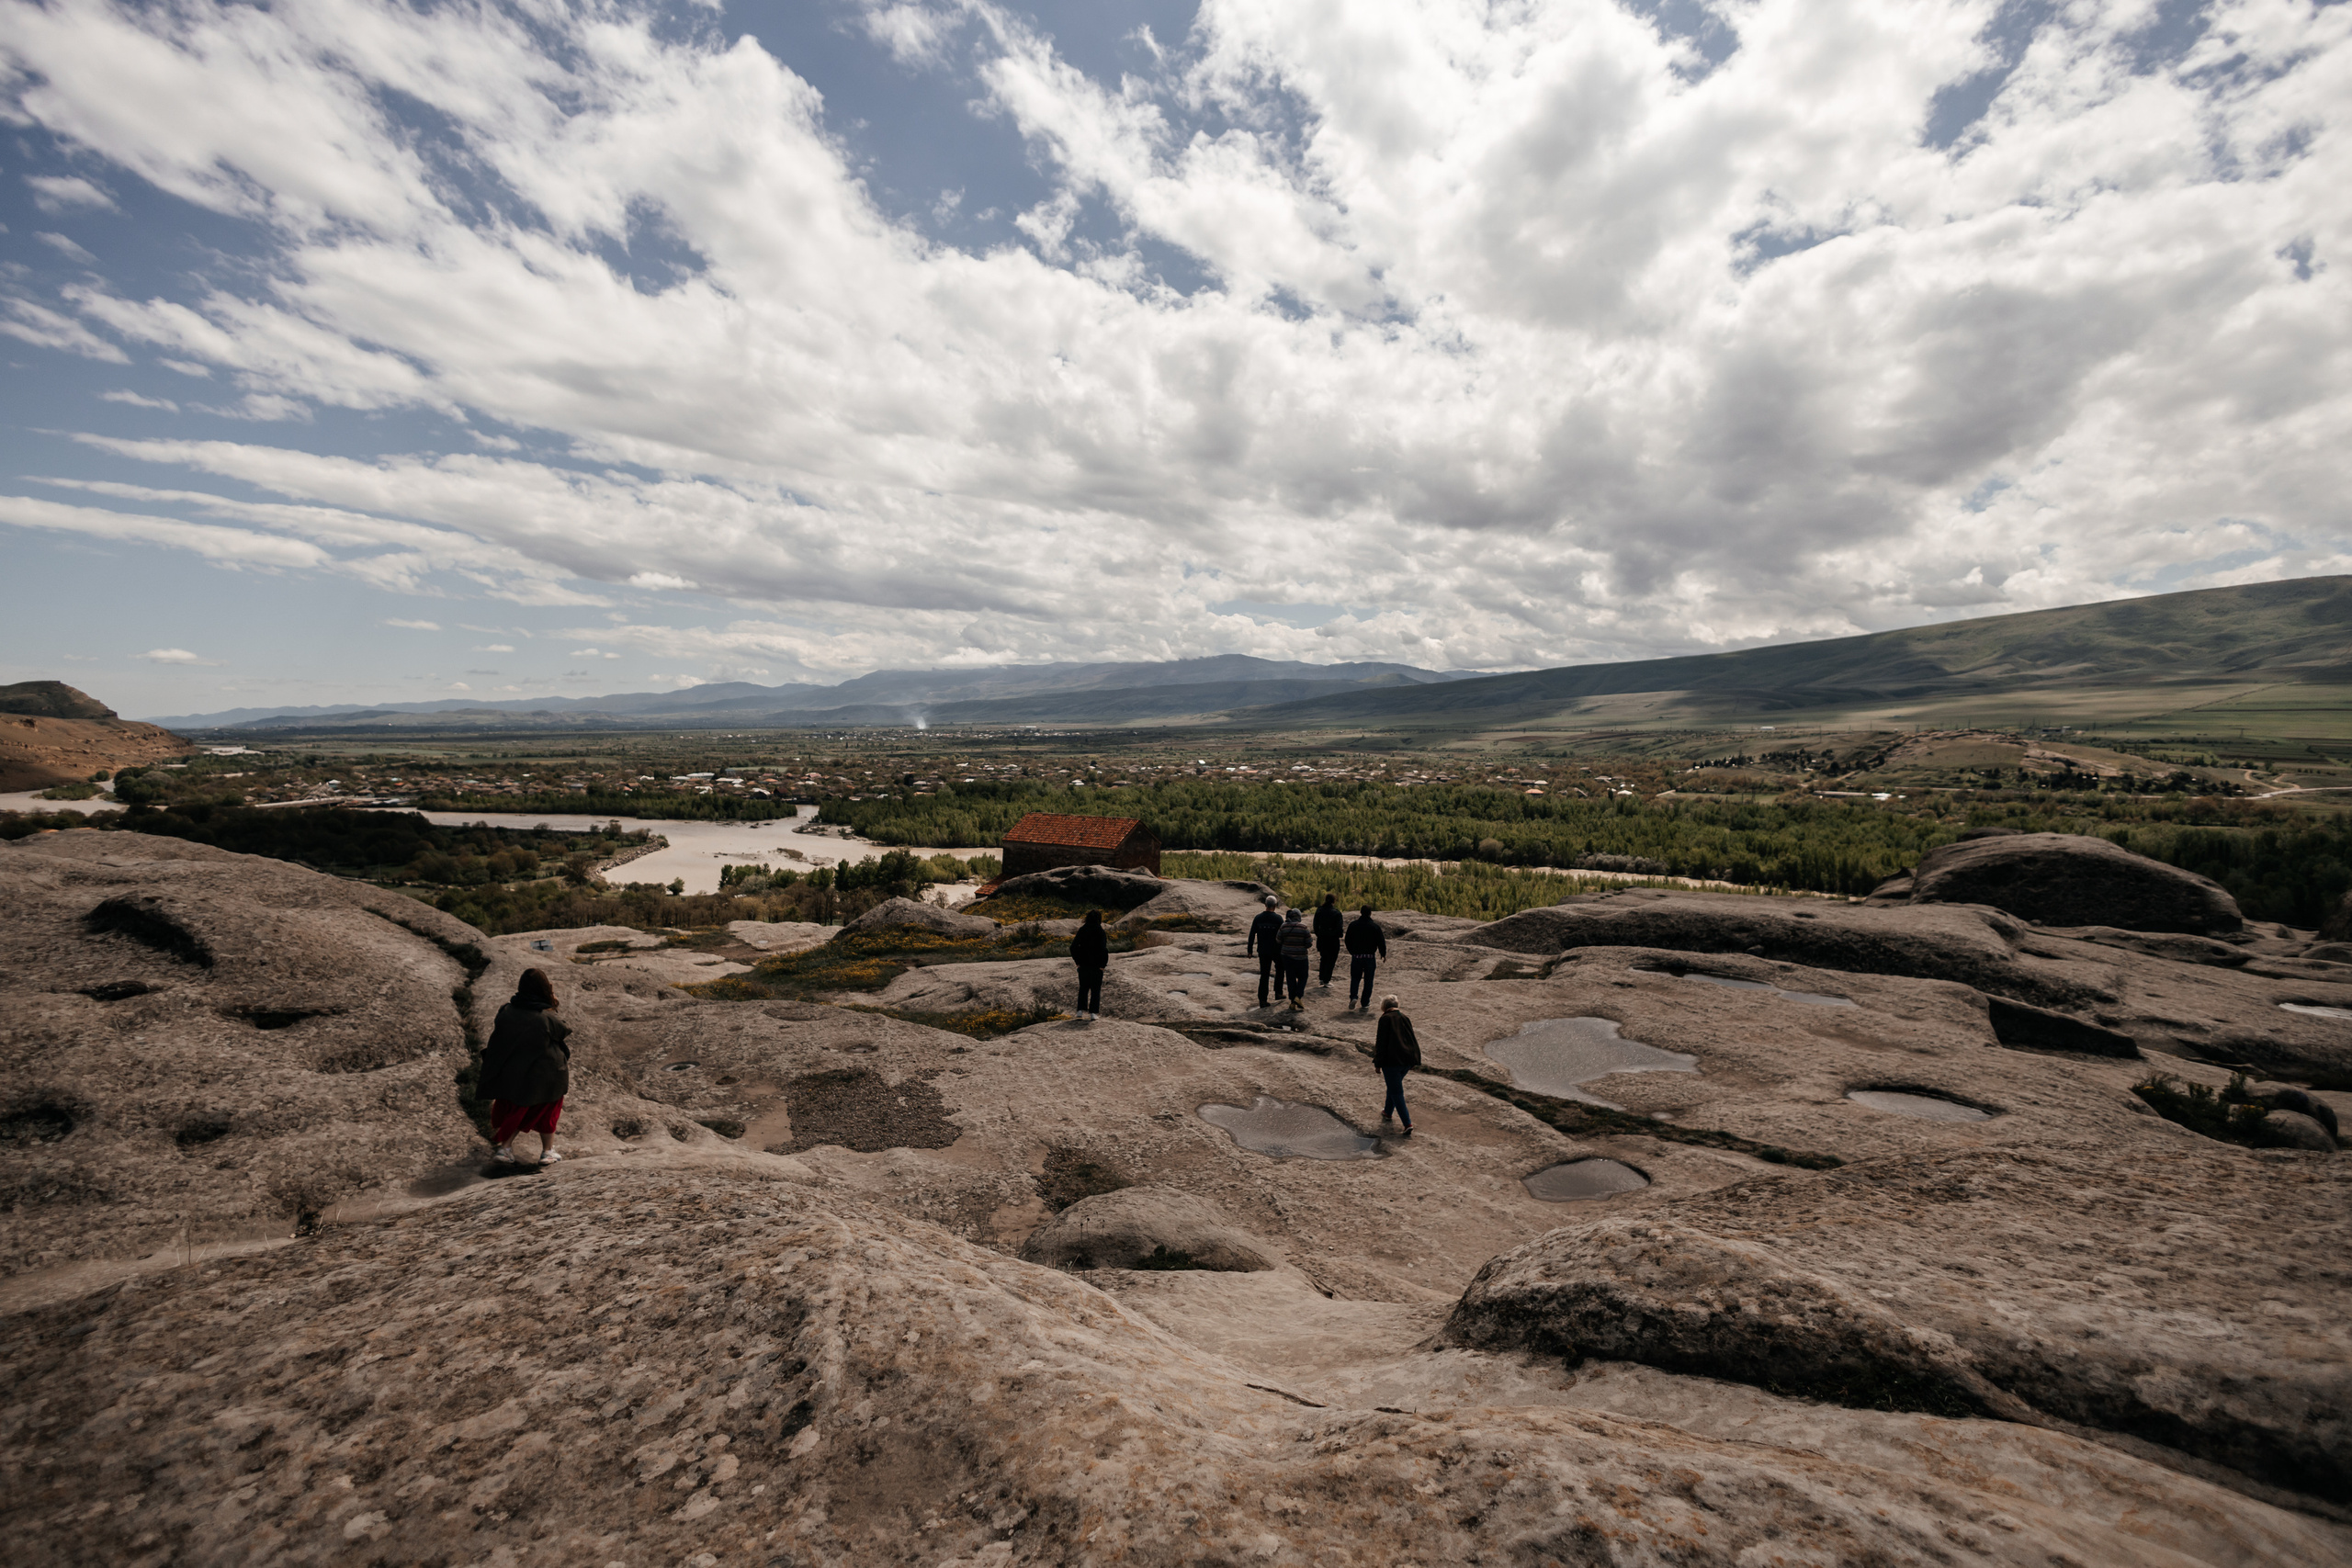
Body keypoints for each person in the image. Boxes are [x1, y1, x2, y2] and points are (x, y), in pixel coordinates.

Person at [480, 966, 571, 1165]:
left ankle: (505, 1149)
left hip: (515, 1073)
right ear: (545, 989)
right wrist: (552, 1003)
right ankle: (547, 1152)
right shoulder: (545, 1017)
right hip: (546, 1075)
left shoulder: (506, 1011)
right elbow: (563, 1029)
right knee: (548, 1111)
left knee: (518, 1111)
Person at [1373, 995, 1420, 1135]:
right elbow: (1412, 1039)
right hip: (1406, 1060)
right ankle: (1388, 1112)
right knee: (1393, 1087)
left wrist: (1377, 1062)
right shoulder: (1405, 1017)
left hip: (1391, 1061)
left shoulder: (1385, 1019)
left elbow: (1381, 1042)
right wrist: (1414, 1060)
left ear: (1384, 1007)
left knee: (1397, 1092)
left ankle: (1407, 1124)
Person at [1344, 904, 1386, 1009]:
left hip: (1357, 956)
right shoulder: (1375, 927)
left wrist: (1352, 952)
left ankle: (1353, 997)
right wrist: (1383, 954)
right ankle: (1365, 1002)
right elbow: (1381, 941)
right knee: (1368, 980)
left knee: (1355, 978)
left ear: (1361, 912)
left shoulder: (1353, 925)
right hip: (1370, 957)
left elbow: (1347, 940)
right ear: (1370, 913)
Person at [1246, 893, 1284, 1008]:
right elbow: (1283, 935)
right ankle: (1278, 993)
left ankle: (1262, 1000)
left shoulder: (1258, 918)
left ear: (1265, 905)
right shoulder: (1278, 919)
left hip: (1263, 950)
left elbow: (1252, 934)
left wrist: (1250, 950)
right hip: (1276, 950)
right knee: (1280, 970)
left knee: (1264, 975)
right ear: (1275, 906)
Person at [1071, 908, 1109, 1021]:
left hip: (1083, 965)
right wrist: (1103, 965)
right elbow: (1103, 949)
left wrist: (1078, 962)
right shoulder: (1100, 931)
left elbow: (1073, 947)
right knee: (1095, 989)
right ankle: (1093, 1013)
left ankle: (1079, 1012)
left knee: (1083, 988)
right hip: (1097, 965)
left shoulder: (1082, 930)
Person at [1276, 907, 1315, 1011]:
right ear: (1299, 917)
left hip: (1286, 956)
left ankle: (1293, 1001)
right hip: (1301, 957)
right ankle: (1298, 997)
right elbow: (1309, 943)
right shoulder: (1303, 927)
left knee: (1290, 978)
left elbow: (1278, 940)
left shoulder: (1283, 926)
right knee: (1303, 977)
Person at [1312, 893, 1344, 987]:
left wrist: (1320, 934)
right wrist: (1336, 935)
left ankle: (1321, 979)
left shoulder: (1319, 910)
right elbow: (1339, 929)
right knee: (1331, 960)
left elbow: (1315, 926)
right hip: (1333, 941)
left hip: (1322, 939)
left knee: (1323, 958)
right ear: (1334, 901)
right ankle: (1327, 980)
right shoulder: (1336, 913)